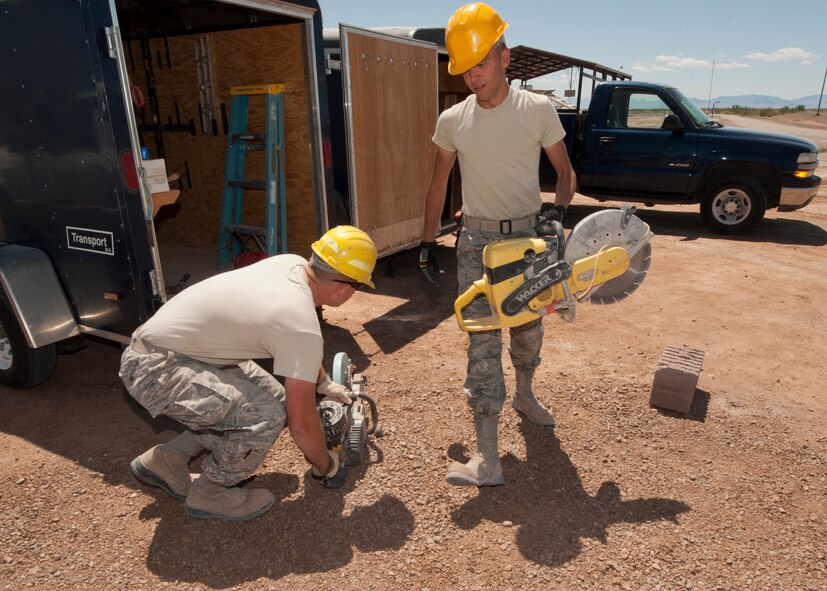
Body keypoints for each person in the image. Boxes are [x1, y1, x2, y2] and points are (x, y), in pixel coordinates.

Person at [419, 2, 577, 487]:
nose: (473, 77)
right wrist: (428, 242)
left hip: (529, 239)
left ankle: (526, 395)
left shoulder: (537, 109)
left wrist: (559, 211)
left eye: (481, 64)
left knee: (529, 331)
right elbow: (438, 181)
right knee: (481, 342)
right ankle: (488, 457)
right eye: (465, 68)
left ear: (504, 57)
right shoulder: (452, 120)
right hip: (475, 243)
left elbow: (566, 173)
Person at [119, 226, 377, 521]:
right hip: (156, 370)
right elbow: (302, 423)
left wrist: (324, 382)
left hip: (170, 350)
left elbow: (298, 350)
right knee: (265, 414)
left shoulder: (289, 264)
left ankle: (167, 460)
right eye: (357, 287)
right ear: (344, 288)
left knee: (271, 400)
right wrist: (327, 465)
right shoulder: (299, 322)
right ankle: (211, 491)